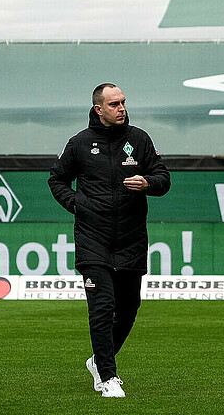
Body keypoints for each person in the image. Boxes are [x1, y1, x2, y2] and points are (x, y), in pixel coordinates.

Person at [49, 83, 171, 398]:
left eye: (123, 102)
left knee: (129, 308)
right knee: (102, 307)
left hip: (131, 238)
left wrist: (148, 183)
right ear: (98, 109)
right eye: (114, 104)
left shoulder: (139, 139)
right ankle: (107, 377)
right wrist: (76, 204)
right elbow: (57, 179)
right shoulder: (79, 143)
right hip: (93, 239)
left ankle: (98, 361)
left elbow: (163, 178)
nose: (122, 108)